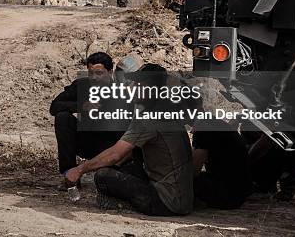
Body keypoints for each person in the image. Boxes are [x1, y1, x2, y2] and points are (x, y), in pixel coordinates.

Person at [65, 64, 194, 216]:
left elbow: (115, 155)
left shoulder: (148, 118)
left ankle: (121, 205)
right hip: (184, 200)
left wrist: (79, 170)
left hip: (165, 202)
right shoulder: (168, 109)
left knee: (103, 176)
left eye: (137, 83)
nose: (132, 87)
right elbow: (130, 153)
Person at [50, 52, 126, 186]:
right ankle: (69, 175)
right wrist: (81, 106)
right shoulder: (82, 86)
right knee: (63, 117)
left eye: (99, 73)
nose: (94, 78)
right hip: (86, 140)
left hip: (110, 146)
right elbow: (55, 106)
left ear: (109, 72)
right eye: (91, 73)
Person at [192, 119, 252, 209]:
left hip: (227, 196)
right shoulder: (215, 124)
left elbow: (194, 171)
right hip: (238, 194)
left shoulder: (203, 129)